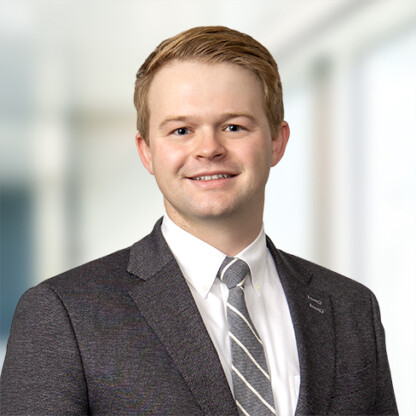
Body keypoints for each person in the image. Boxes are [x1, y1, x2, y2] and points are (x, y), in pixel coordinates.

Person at [1, 26, 397, 416]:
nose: (208, 148)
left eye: (234, 127)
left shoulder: (350, 307)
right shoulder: (63, 314)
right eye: (181, 130)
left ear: (277, 141)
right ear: (147, 152)